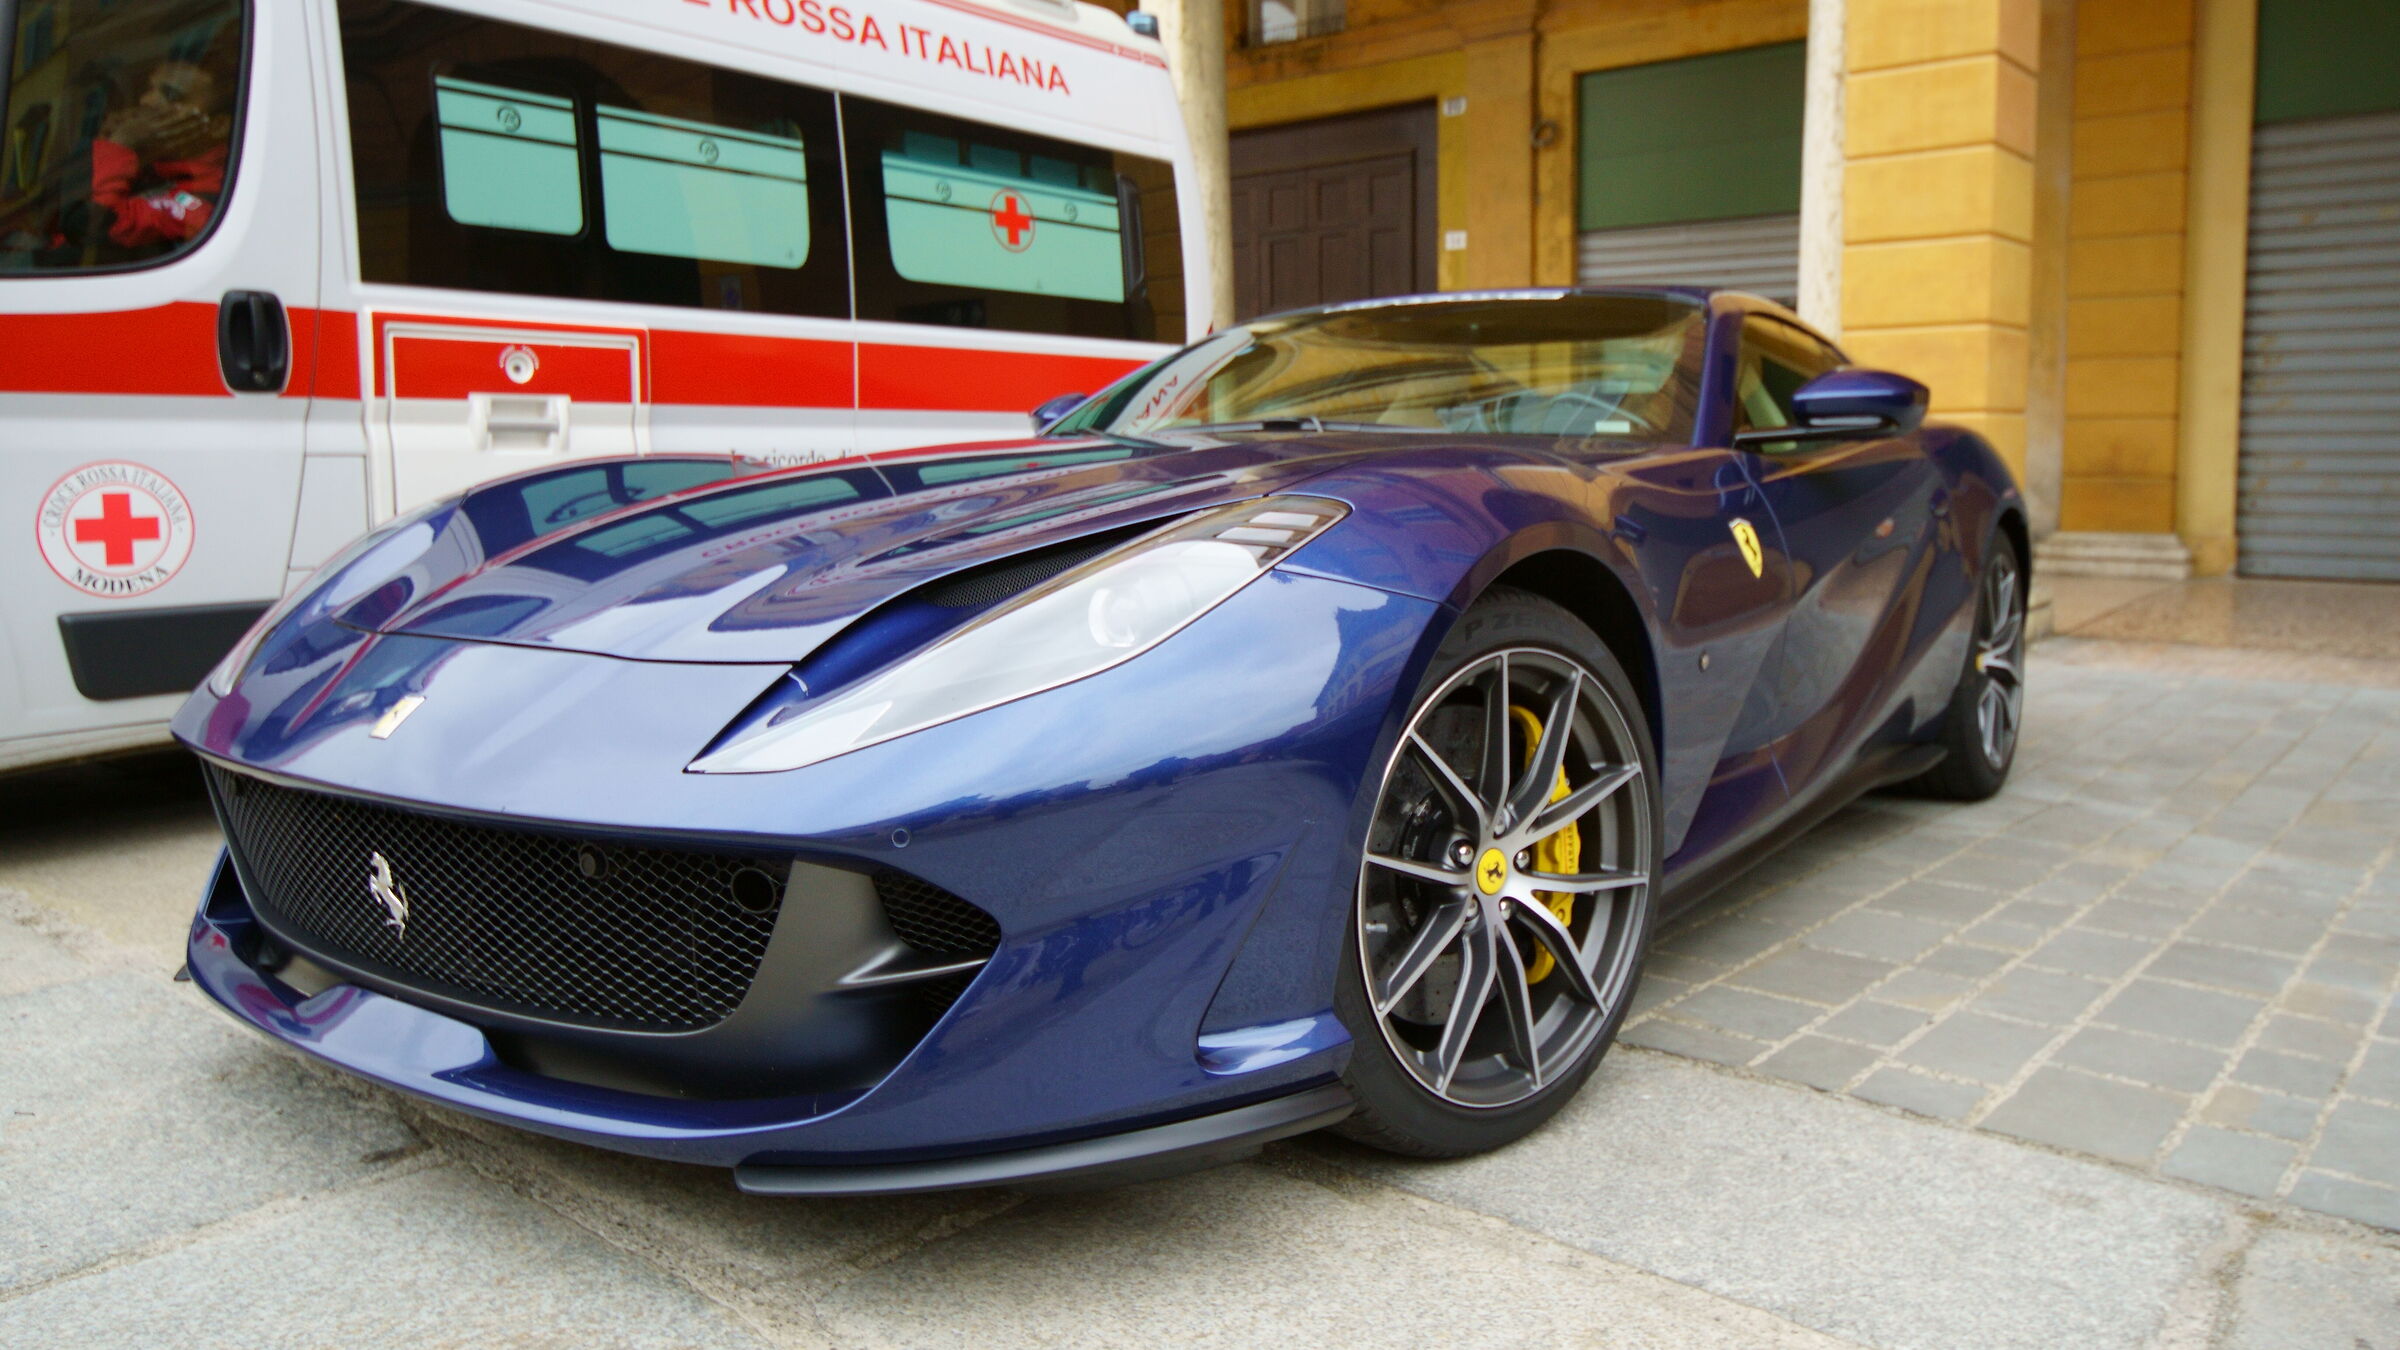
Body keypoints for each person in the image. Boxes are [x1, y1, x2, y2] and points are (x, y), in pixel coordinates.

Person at [90, 58, 232, 251]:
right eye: (149, 89)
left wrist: (118, 147)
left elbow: (93, 225)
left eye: (172, 95)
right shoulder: (158, 168)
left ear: (218, 126)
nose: (146, 101)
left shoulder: (206, 200)